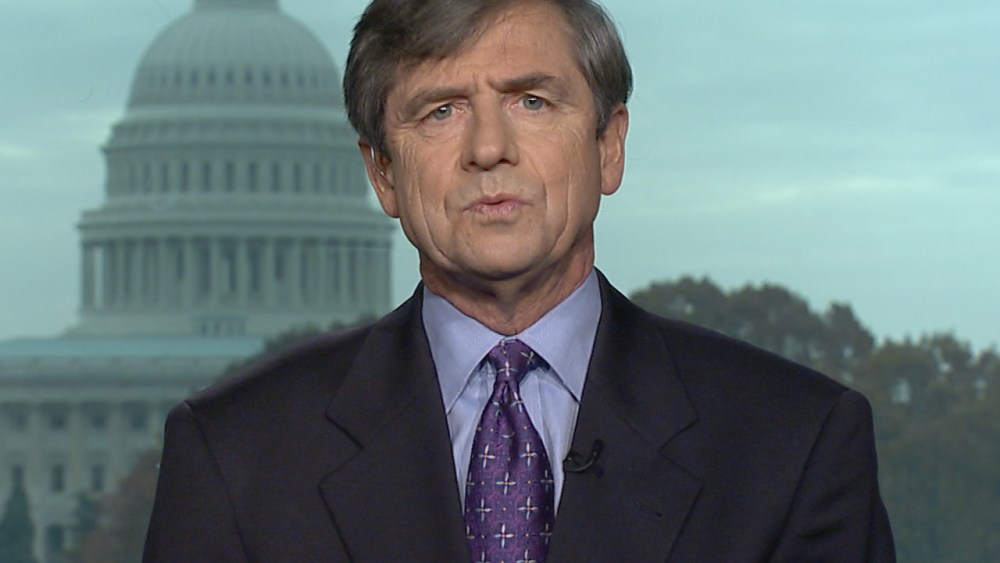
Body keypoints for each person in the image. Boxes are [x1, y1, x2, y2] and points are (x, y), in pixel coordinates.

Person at [143, 0, 895, 561]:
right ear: (383, 173)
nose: (488, 147)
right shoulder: (233, 454)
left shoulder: (794, 445)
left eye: (531, 101)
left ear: (608, 145)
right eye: (441, 111)